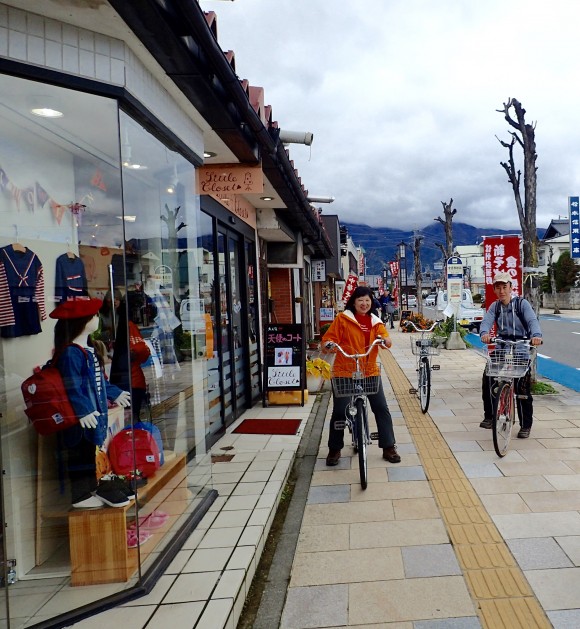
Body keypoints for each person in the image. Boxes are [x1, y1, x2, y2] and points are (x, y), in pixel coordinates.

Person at [50, 297, 133, 508]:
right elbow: (73, 386)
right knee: (79, 454)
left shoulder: (86, 350)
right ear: (82, 321)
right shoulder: (71, 353)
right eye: (94, 315)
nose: (97, 318)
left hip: (93, 414)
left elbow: (100, 383)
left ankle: (89, 489)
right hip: (82, 418)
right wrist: (84, 411)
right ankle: (80, 495)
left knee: (88, 452)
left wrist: (114, 394)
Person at [322, 286, 401, 465]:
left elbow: (385, 339)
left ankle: (389, 446)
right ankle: (334, 448)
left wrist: (386, 340)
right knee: (340, 410)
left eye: (367, 300)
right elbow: (328, 339)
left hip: (369, 371)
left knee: (381, 407)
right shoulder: (343, 319)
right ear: (353, 302)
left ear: (371, 302)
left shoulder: (375, 321)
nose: (364, 304)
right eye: (360, 300)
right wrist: (329, 344)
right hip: (345, 371)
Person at [479, 272, 543, 438]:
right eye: (498, 288)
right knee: (488, 377)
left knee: (522, 388)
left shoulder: (522, 305)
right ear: (494, 290)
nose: (501, 291)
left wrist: (536, 335)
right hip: (502, 347)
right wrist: (484, 333)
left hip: (520, 347)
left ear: (510, 288)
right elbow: (486, 321)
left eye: (504, 287)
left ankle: (525, 425)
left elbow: (532, 321)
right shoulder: (495, 306)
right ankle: (490, 416)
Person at [110, 292, 152, 421]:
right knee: (132, 418)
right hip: (131, 381)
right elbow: (143, 352)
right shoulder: (127, 327)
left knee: (129, 418)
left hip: (130, 381)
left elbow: (141, 352)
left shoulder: (126, 327)